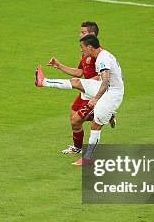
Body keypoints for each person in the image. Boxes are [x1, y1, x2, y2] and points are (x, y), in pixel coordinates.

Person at [36, 34, 124, 165]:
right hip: (105, 88)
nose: (81, 50)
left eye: (82, 47)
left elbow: (105, 81)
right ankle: (43, 82)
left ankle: (88, 158)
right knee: (77, 82)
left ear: (89, 47)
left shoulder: (102, 59)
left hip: (111, 95)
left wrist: (95, 98)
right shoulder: (101, 55)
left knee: (96, 125)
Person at [46, 21, 115, 155]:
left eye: (83, 32)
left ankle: (103, 116)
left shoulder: (99, 55)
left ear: (92, 35)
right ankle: (78, 146)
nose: (80, 34)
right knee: (74, 117)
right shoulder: (85, 52)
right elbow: (79, 72)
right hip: (85, 91)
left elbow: (103, 78)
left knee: (76, 120)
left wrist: (84, 83)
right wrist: (59, 66)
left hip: (95, 93)